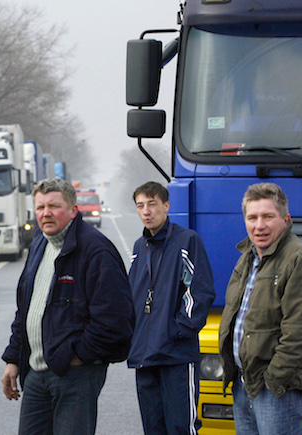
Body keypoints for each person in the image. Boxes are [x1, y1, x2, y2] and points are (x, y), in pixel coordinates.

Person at [1, 178, 134, 435]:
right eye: (40, 208)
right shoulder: (40, 244)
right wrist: (12, 359)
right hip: (36, 373)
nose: (45, 213)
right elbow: (26, 309)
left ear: (73, 210)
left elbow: (115, 321)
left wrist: (77, 356)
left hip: (75, 375)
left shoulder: (96, 251)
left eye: (53, 206)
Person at [219, 182, 302, 434]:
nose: (259, 225)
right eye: (252, 217)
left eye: (268, 216)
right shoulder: (248, 258)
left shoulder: (301, 262)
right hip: (245, 384)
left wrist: (273, 380)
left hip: (279, 392)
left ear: (285, 218)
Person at [128, 181, 215, 434]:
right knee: (153, 428)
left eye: (152, 204)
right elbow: (131, 294)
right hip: (144, 356)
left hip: (176, 354)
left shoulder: (187, 240)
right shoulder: (138, 247)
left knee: (180, 427)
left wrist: (179, 330)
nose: (146, 211)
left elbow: (200, 290)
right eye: (140, 206)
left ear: (166, 206)